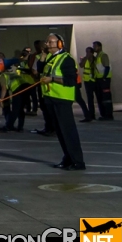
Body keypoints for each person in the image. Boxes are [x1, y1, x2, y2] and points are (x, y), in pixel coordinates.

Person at [40, 32, 85, 170]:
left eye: (50, 42)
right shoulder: (50, 58)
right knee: (60, 132)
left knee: (68, 131)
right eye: (47, 42)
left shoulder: (66, 59)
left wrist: (52, 79)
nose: (47, 44)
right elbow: (39, 72)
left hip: (62, 99)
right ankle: (68, 158)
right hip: (51, 98)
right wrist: (42, 58)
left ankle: (78, 161)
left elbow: (71, 81)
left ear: (60, 44)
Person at [93, 41, 113, 120]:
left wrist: (104, 77)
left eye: (95, 46)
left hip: (104, 80)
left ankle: (108, 115)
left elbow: (107, 67)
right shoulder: (97, 56)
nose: (94, 48)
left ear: (100, 47)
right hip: (99, 79)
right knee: (100, 97)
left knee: (106, 98)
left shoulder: (103, 55)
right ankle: (104, 114)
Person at [78, 46, 97, 122]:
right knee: (90, 99)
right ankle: (91, 115)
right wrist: (85, 58)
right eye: (86, 52)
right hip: (87, 81)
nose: (87, 53)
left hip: (95, 80)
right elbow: (81, 65)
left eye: (88, 52)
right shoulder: (85, 59)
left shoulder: (95, 59)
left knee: (98, 97)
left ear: (92, 53)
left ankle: (103, 113)